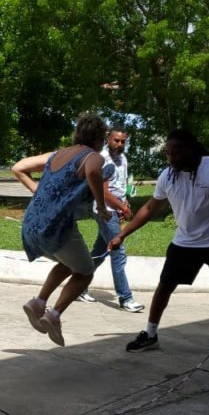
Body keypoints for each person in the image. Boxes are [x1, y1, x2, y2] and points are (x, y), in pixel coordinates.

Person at [109, 129, 209, 371]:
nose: (171, 158)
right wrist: (122, 234)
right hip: (185, 243)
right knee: (164, 288)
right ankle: (150, 334)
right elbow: (151, 208)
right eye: (168, 153)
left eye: (177, 152)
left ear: (192, 149)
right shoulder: (168, 176)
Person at [12, 113, 111, 346]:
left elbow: (18, 167)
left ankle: (38, 302)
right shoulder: (92, 156)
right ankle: (53, 315)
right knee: (85, 271)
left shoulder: (56, 154)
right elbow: (94, 171)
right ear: (99, 138)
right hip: (56, 226)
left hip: (31, 224)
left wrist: (37, 190)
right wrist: (101, 205)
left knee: (68, 263)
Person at [77, 126, 144, 313]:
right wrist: (121, 207)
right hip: (105, 211)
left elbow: (120, 186)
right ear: (108, 139)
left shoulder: (123, 159)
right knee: (118, 251)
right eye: (116, 140)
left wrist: (125, 204)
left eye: (123, 141)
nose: (120, 144)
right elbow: (104, 193)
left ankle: (79, 286)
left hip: (116, 210)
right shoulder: (102, 160)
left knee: (99, 251)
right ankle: (125, 298)